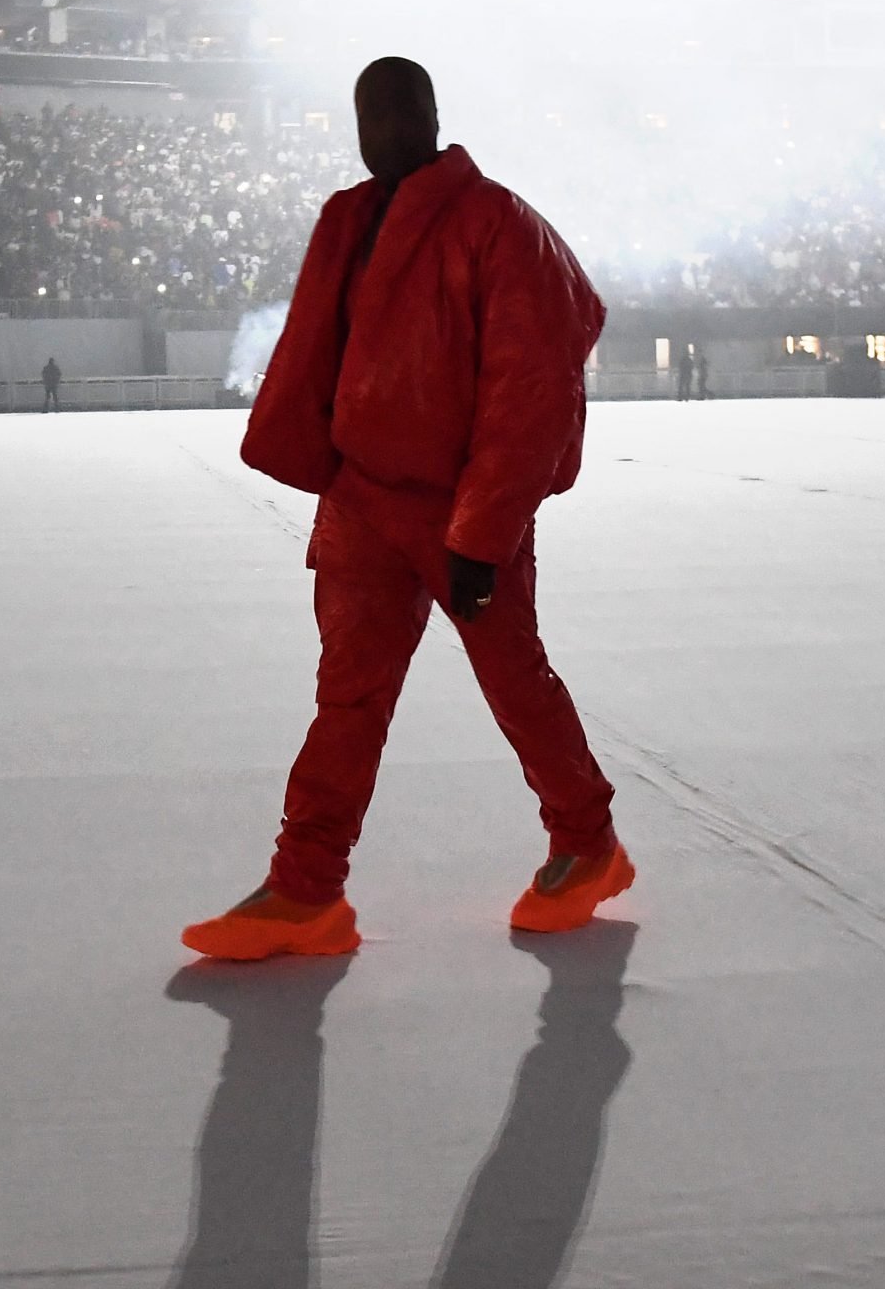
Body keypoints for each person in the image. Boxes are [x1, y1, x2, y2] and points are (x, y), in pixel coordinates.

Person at [182, 55, 629, 962]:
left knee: (514, 683)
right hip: (362, 501)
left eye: (396, 113)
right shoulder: (348, 221)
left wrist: (483, 530)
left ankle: (588, 843)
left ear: (430, 115)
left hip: (462, 509)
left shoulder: (500, 226)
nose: (379, 131)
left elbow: (529, 388)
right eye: (367, 116)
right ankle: (305, 888)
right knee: (346, 697)